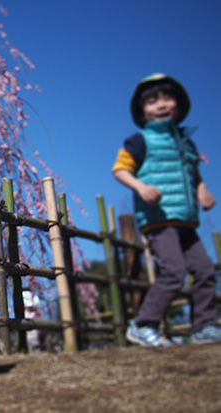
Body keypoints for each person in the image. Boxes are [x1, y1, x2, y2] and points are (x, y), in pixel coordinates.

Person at [112, 73, 221, 346]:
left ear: (179, 104)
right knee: (174, 271)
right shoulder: (141, 140)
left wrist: (203, 191)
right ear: (142, 110)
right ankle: (143, 324)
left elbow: (192, 173)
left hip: (185, 219)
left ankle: (204, 326)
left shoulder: (186, 142)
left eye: (166, 98)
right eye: (151, 101)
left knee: (205, 269)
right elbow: (120, 169)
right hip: (158, 218)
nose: (160, 105)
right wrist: (140, 187)